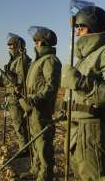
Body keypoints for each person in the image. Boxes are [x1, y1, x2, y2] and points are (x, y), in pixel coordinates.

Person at [61, 5, 105, 180]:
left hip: (91, 130)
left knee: (96, 176)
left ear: (93, 29)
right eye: (76, 28)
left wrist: (79, 82)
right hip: (76, 128)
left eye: (80, 28)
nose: (77, 33)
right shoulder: (84, 59)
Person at [18, 26, 61, 181]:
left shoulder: (50, 60)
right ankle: (36, 170)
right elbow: (33, 84)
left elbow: (51, 86)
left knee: (43, 145)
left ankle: (45, 175)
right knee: (35, 143)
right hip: (31, 109)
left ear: (43, 42)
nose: (34, 43)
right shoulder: (37, 61)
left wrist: (36, 98)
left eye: (36, 41)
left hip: (42, 110)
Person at [3, 33, 31, 153]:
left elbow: (21, 80)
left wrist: (12, 79)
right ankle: (25, 147)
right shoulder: (13, 60)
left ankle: (25, 149)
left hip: (16, 97)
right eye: (9, 46)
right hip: (10, 96)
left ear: (19, 46)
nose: (10, 48)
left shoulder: (22, 59)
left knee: (19, 124)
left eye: (12, 46)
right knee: (18, 124)